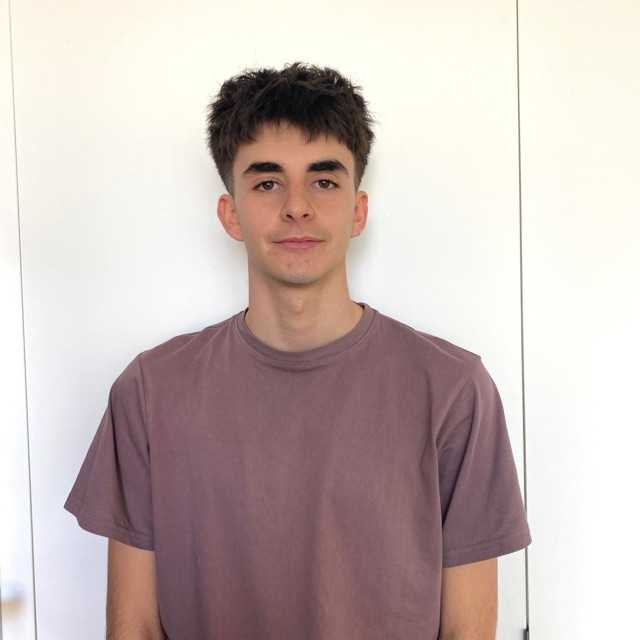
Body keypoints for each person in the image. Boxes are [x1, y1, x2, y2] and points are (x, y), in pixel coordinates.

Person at [64, 60, 531, 639]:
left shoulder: (454, 390)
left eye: (324, 180)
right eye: (267, 182)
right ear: (230, 214)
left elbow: (468, 631)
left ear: (358, 210)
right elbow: (131, 627)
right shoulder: (149, 392)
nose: (297, 206)